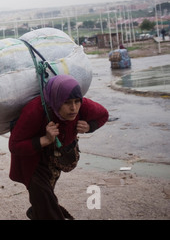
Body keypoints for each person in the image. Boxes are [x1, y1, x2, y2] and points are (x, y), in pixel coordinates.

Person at [8, 74, 109, 220]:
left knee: (45, 198)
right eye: (67, 102)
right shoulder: (34, 111)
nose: (74, 108)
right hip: (33, 162)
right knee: (45, 199)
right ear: (56, 101)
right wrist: (45, 139)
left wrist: (90, 126)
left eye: (76, 101)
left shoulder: (83, 106)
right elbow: (14, 145)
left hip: (56, 159)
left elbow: (103, 115)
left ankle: (36, 212)